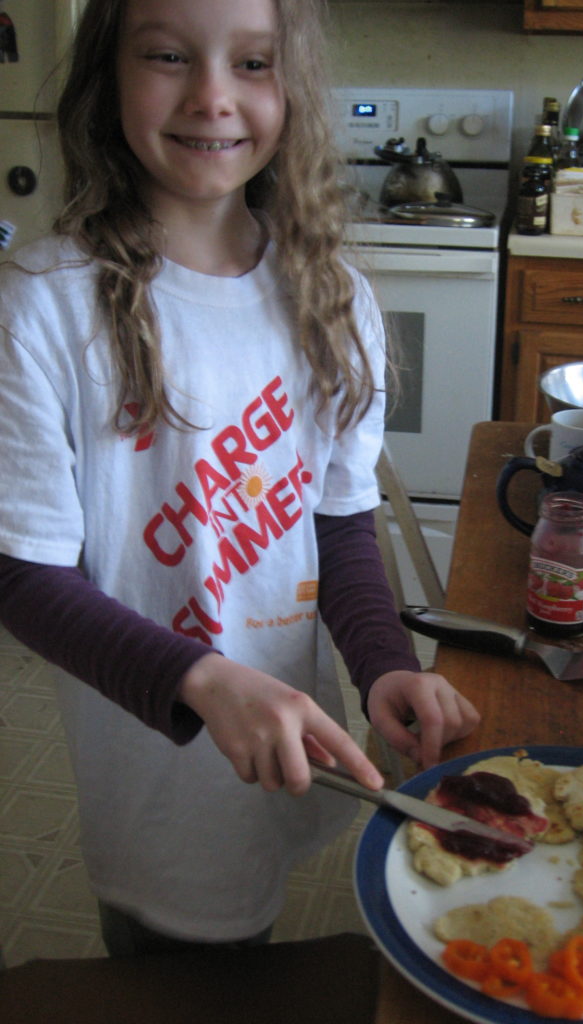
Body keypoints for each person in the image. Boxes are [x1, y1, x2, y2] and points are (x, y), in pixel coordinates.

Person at [0, 0, 480, 954]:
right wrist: (205, 683)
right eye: (170, 56)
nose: (213, 96)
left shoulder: (330, 291)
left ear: (292, 85)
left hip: (295, 732)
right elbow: (22, 577)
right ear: (108, 76)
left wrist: (383, 660)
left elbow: (337, 524)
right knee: (179, 965)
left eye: (253, 63)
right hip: (156, 758)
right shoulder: (43, 306)